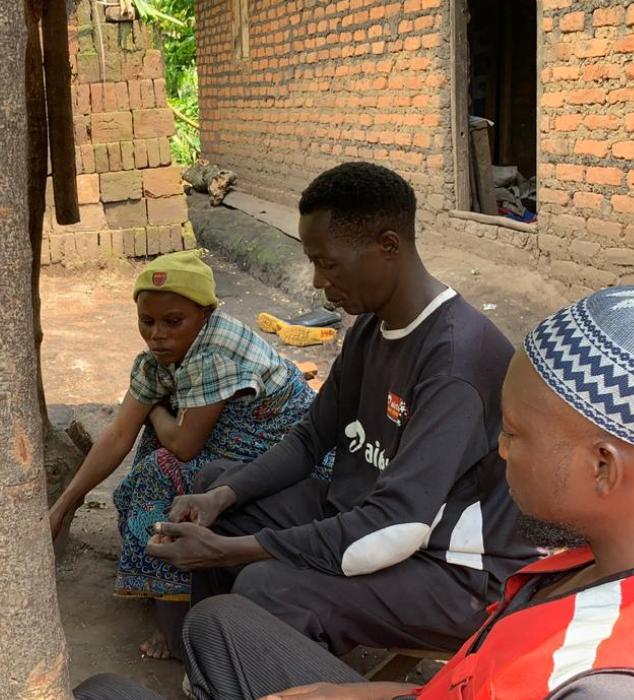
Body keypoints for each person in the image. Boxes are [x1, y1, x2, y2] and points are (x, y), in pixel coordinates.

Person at [77, 284, 634, 700]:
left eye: (517, 436)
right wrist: (357, 694)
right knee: (219, 626)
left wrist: (233, 552)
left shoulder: (618, 678)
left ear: (604, 468)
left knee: (107, 692)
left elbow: (391, 524)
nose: (498, 449)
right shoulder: (586, 560)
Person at [146, 162, 538, 656]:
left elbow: (397, 526)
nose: (317, 281)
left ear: (388, 247)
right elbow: (312, 439)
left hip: (454, 572)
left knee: (266, 587)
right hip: (367, 516)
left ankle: (275, 669)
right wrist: (221, 499)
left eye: (328, 263)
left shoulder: (456, 361)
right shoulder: (370, 329)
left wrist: (229, 552)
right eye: (312, 261)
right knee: (213, 493)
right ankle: (218, 657)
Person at [48, 249, 326, 658]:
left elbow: (183, 444)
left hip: (283, 453)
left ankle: (179, 627)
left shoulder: (213, 353)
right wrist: (64, 506)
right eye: (147, 321)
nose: (157, 334)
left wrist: (157, 410)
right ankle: (163, 590)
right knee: (149, 455)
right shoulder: (161, 357)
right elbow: (119, 431)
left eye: (172, 322)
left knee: (159, 474)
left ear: (204, 315)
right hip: (228, 440)